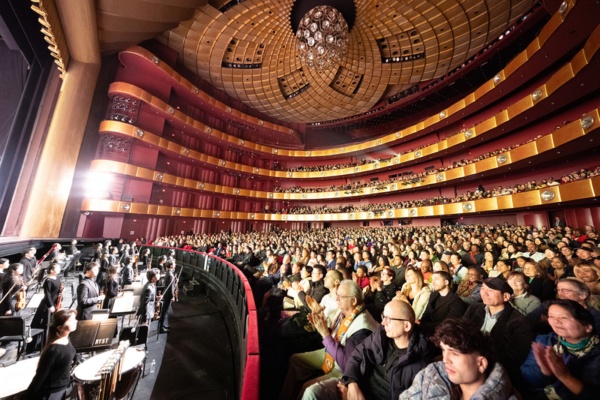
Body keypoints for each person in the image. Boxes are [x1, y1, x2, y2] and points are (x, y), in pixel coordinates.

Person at [279, 280, 379, 400]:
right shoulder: (345, 311)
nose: (337, 299)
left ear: (353, 301)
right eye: (337, 295)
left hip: (342, 368)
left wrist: (324, 333)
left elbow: (346, 365)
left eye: (341, 297)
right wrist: (320, 325)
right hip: (331, 353)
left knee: (308, 388)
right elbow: (335, 335)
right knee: (295, 360)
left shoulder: (362, 328)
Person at [336, 300, 433, 400]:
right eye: (384, 316)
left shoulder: (422, 362)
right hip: (355, 382)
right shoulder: (381, 335)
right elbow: (356, 355)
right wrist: (352, 384)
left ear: (406, 326)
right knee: (324, 390)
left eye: (389, 319)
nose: (383, 322)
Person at [400, 318, 520, 400]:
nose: (445, 359)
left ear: (481, 364)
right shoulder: (429, 376)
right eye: (444, 350)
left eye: (455, 353)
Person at [463, 277, 534, 389]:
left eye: (490, 290)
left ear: (505, 297)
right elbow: (461, 334)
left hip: (494, 373)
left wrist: (476, 362)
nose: (484, 293)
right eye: (483, 288)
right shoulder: (474, 309)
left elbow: (512, 359)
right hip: (465, 360)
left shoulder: (519, 322)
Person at [521, 299, 600, 399]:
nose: (556, 322)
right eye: (551, 316)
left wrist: (567, 378)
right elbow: (528, 377)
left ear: (587, 327)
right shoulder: (545, 341)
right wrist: (544, 371)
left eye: (563, 317)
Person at [25, 309, 78, 400]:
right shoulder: (54, 350)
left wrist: (76, 357)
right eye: (71, 320)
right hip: (51, 393)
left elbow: (69, 352)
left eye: (75, 319)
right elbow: (39, 378)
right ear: (60, 328)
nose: (75, 321)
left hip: (62, 388)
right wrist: (26, 397)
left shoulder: (66, 339)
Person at [419, 271, 467, 337]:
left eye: (436, 279)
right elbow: (426, 313)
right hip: (426, 331)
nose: (433, 282)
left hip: (441, 335)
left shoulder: (456, 302)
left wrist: (423, 325)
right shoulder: (434, 295)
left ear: (446, 282)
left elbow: (447, 325)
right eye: (432, 279)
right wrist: (421, 323)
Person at [29, 263, 62, 352]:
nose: (60, 269)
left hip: (54, 304)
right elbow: (47, 295)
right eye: (58, 268)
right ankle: (44, 344)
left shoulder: (57, 278)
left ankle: (51, 341)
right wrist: (50, 306)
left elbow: (57, 291)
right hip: (47, 306)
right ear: (52, 270)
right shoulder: (48, 281)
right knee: (46, 325)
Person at [159, 261, 176, 333]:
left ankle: (162, 325)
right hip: (168, 295)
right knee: (165, 311)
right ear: (171, 265)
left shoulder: (168, 273)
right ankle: (161, 328)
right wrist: (172, 296)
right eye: (174, 264)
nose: (175, 265)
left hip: (166, 294)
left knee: (164, 311)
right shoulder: (170, 275)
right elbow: (171, 288)